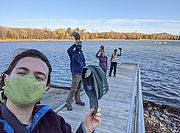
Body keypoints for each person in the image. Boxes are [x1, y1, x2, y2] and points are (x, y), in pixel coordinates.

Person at [0, 49, 101, 133]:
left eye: (39, 77)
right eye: (22, 73)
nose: (29, 80)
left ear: (46, 89)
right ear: (6, 78)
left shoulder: (54, 120)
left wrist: (85, 128)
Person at [66, 34, 86, 111]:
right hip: (76, 73)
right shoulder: (73, 54)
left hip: (81, 73)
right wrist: (75, 44)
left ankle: (78, 100)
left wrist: (85, 71)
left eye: (80, 45)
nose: (79, 46)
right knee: (73, 89)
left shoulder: (81, 53)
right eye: (78, 45)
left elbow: (84, 62)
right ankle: (68, 103)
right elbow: (68, 50)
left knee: (79, 88)